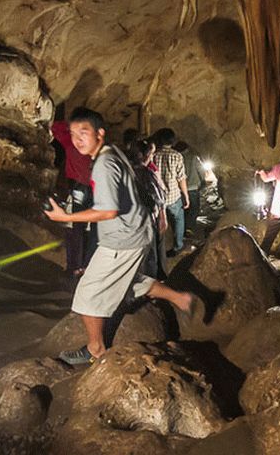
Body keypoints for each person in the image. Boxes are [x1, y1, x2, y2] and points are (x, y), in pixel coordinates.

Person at [44, 108, 193, 365]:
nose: (77, 139)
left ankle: (95, 349)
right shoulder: (112, 152)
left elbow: (108, 211)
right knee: (128, 280)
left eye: (84, 132)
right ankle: (181, 298)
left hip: (123, 238)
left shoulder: (104, 164)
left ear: (99, 133)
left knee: (87, 293)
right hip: (135, 231)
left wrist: (65, 217)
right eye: (73, 134)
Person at [50, 116, 94, 277]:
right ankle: (87, 265)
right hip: (94, 188)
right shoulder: (93, 145)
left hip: (78, 187)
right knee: (91, 229)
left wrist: (69, 125)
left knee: (76, 228)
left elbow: (55, 128)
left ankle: (75, 266)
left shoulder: (71, 144)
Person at [126, 138, 168, 279]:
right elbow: (158, 197)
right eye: (151, 154)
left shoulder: (124, 171)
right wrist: (162, 216)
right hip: (146, 218)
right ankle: (152, 282)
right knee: (150, 255)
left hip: (129, 219)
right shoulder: (146, 173)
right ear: (145, 155)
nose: (152, 156)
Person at [151, 128, 188, 256]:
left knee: (159, 224)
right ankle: (177, 246)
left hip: (158, 197)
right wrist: (186, 195)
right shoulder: (177, 156)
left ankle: (159, 248)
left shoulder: (154, 155)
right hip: (173, 196)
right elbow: (181, 178)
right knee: (178, 221)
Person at [175, 141, 205, 235]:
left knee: (183, 209)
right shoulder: (193, 157)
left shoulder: (176, 157)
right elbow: (201, 171)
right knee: (194, 209)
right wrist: (202, 182)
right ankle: (189, 228)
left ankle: (181, 228)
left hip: (179, 188)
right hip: (193, 187)